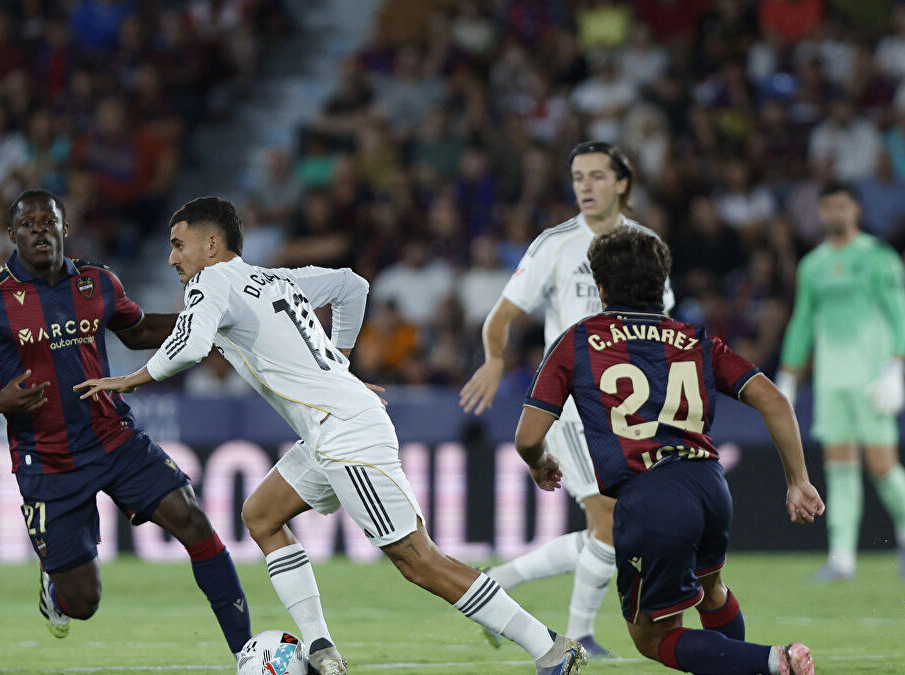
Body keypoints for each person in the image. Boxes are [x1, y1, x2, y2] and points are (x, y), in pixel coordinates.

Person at [74, 197, 586, 675]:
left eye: (178, 245)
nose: (171, 259)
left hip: (344, 434)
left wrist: (130, 379)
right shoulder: (275, 278)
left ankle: (550, 647)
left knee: (419, 561)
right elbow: (352, 285)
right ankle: (321, 648)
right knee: (262, 514)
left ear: (211, 245)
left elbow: (189, 346)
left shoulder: (212, 281)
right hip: (332, 429)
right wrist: (339, 365)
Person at [0, 190, 252, 660]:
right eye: (27, 224)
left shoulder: (97, 282)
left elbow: (139, 331)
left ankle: (246, 654)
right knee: (84, 603)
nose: (39, 230)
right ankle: (56, 589)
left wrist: (210, 322)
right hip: (48, 460)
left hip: (114, 437)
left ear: (64, 228)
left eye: (48, 221)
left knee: (193, 520)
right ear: (11, 235)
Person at [515, 226, 824, 675]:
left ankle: (775, 662)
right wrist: (798, 480)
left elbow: (528, 437)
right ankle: (750, 666)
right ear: (662, 287)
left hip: (650, 497)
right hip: (710, 485)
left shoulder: (578, 341)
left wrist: (540, 463)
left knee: (652, 637)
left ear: (601, 289)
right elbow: (774, 400)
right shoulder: (696, 340)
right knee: (711, 591)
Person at [459, 141, 673, 656]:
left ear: (622, 183)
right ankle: (579, 635)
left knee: (618, 527)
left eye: (597, 176)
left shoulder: (645, 244)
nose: (585, 186)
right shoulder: (554, 245)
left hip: (628, 407)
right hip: (574, 405)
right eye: (578, 177)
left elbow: (660, 323)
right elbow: (503, 315)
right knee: (610, 522)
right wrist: (494, 359)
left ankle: (499, 584)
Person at [775, 181, 905, 581]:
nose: (835, 213)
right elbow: (802, 322)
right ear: (821, 211)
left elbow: (901, 315)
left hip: (872, 379)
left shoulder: (878, 257)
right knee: (839, 467)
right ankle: (842, 558)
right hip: (831, 382)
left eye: (842, 205)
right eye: (828, 206)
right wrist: (788, 373)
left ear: (856, 209)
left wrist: (896, 368)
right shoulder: (813, 265)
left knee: (882, 466)